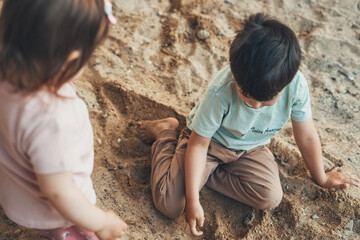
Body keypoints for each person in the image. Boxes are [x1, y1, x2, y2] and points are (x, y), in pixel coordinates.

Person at [140, 13, 360, 236]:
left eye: (265, 101)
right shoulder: (220, 91)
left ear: (288, 81)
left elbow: (306, 136)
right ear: (235, 72)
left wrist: (321, 177)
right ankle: (166, 133)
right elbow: (198, 145)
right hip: (210, 144)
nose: (255, 107)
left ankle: (201, 174)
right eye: (246, 95)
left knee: (269, 196)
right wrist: (193, 200)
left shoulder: (296, 86)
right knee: (170, 204)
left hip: (250, 148)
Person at [0, 0, 127, 239]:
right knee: (76, 230)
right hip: (50, 210)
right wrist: (100, 221)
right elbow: (59, 192)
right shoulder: (50, 120)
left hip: (13, 186)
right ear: (69, 60)